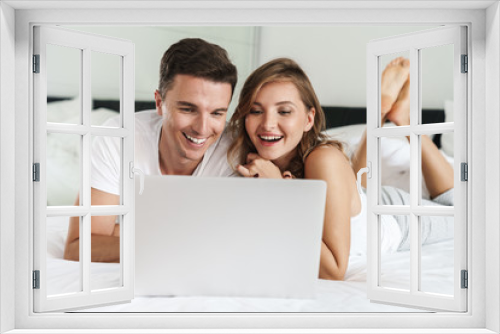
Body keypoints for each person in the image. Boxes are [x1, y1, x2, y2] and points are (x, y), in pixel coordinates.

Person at [227, 57, 454, 281]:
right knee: (357, 185)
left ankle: (403, 119)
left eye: (284, 111)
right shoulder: (244, 160)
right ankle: (376, 117)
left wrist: (279, 191)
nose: (267, 124)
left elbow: (333, 270)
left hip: (394, 215)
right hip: (362, 198)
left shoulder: (323, 159)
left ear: (308, 119)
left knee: (459, 210)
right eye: (256, 111)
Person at [64, 38, 238, 263]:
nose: (203, 128)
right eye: (188, 109)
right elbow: (78, 247)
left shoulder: (234, 151)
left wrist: (128, 234)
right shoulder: (119, 138)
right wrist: (174, 242)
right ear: (159, 103)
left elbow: (234, 242)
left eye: (217, 113)